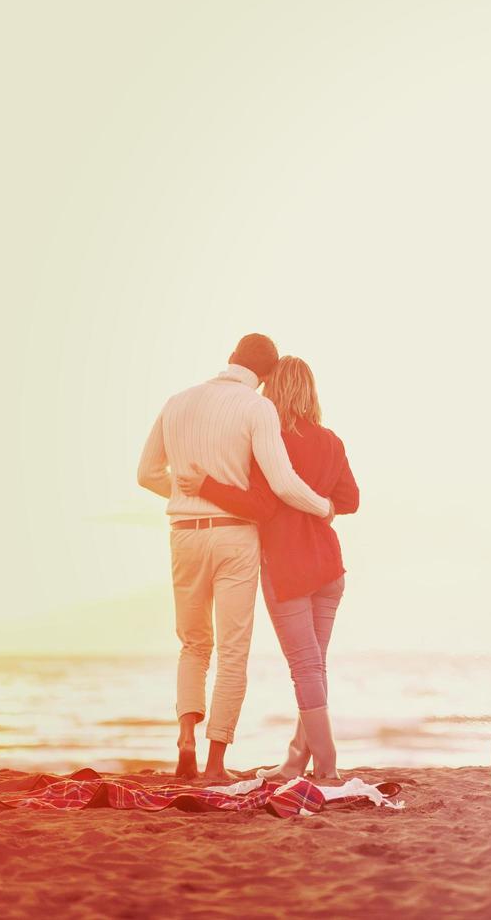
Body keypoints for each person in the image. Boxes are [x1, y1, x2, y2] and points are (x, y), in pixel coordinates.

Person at [137, 334, 334, 781]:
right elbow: (282, 484)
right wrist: (323, 507)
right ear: (264, 377)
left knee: (192, 644)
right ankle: (214, 764)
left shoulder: (177, 401)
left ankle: (185, 737)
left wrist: (187, 494)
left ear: (230, 359)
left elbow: (146, 473)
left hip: (183, 533)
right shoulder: (257, 407)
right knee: (232, 651)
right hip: (234, 537)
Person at [174, 356, 359, 784]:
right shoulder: (331, 440)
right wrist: (322, 503)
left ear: (274, 391)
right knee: (316, 666)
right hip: (330, 567)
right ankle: (297, 758)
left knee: (306, 668)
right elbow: (350, 500)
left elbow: (260, 504)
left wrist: (205, 486)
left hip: (288, 569)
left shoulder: (270, 441)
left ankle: (326, 766)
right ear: (311, 392)